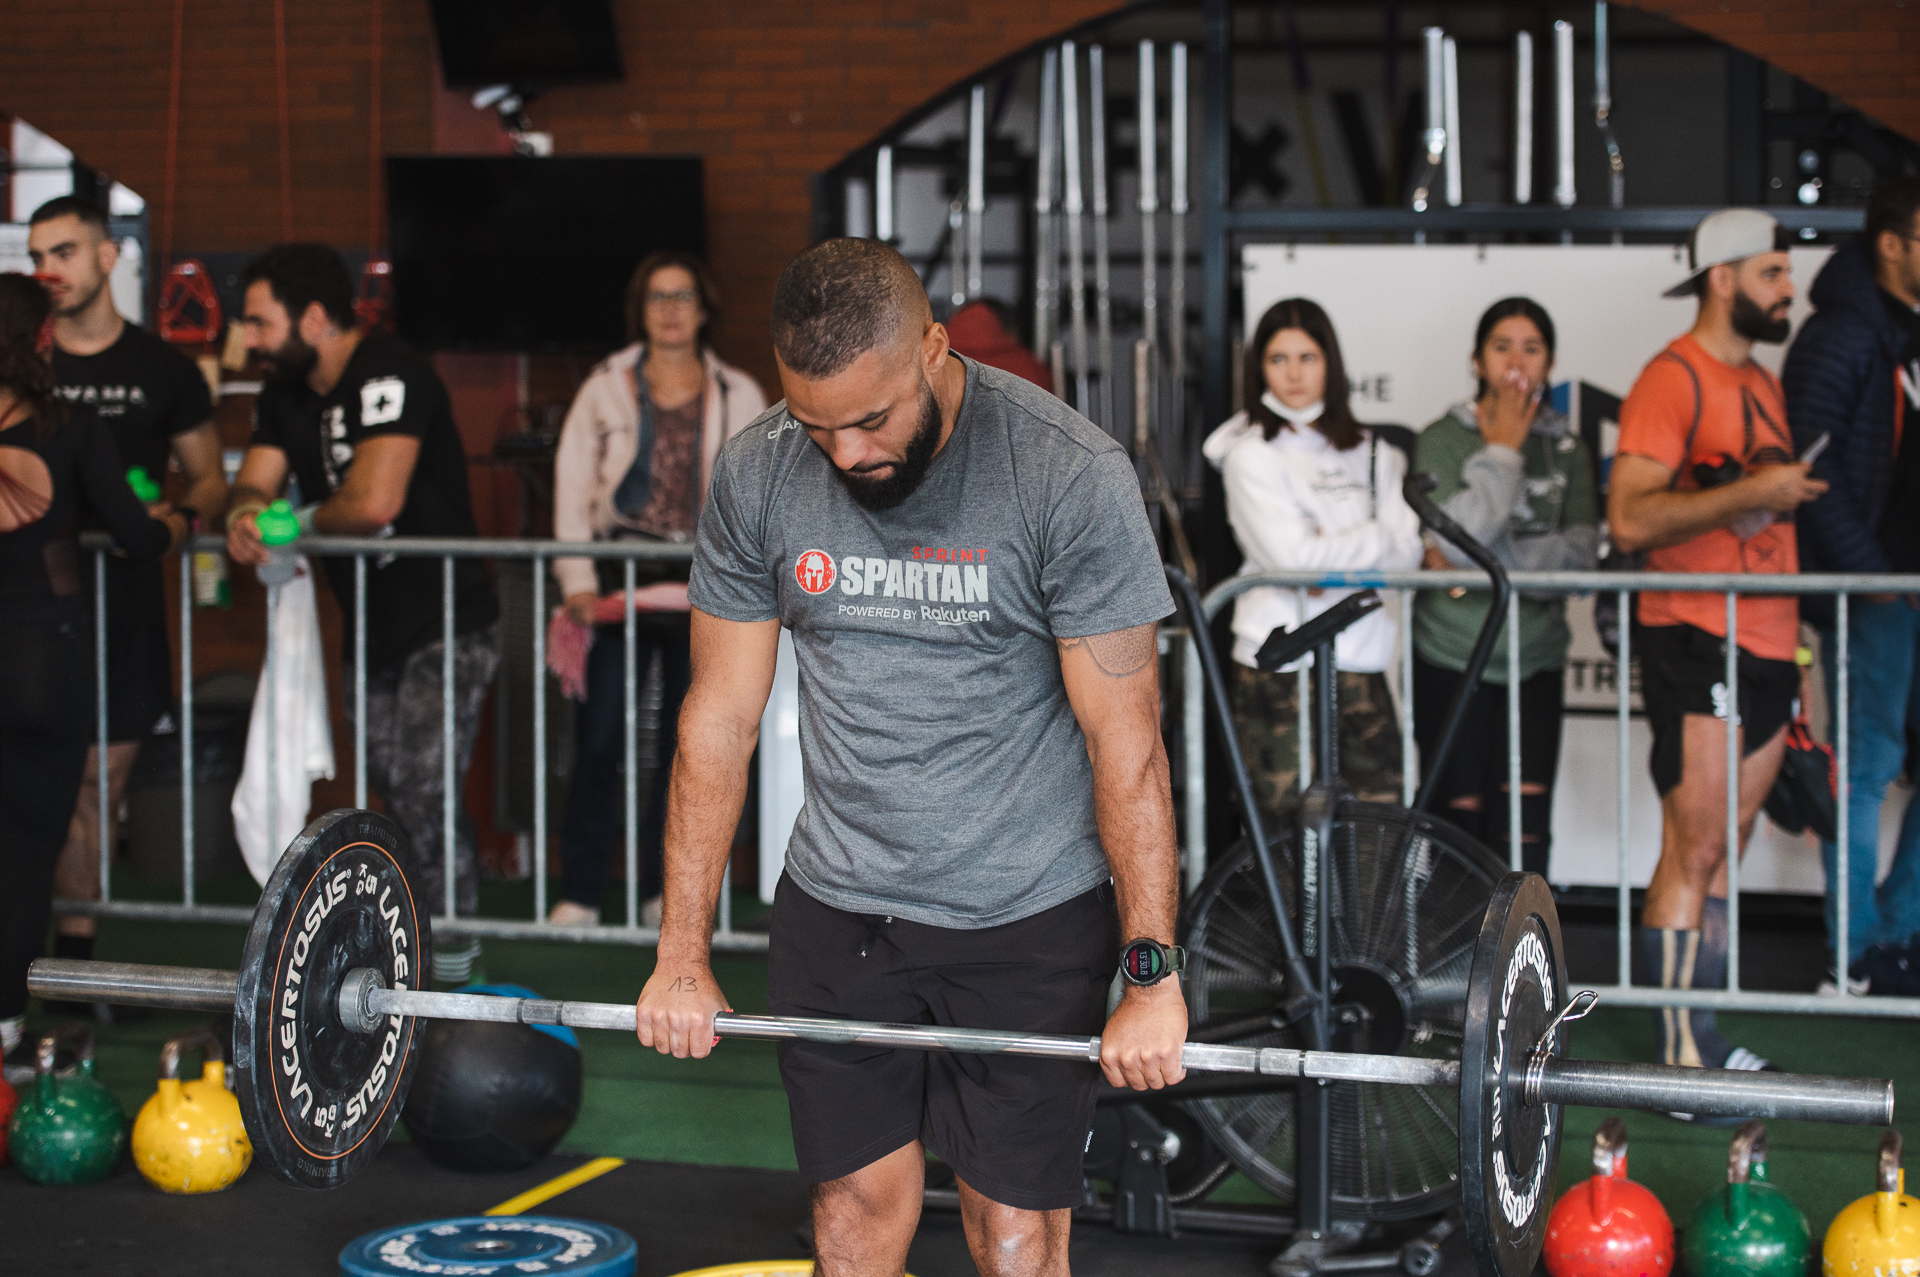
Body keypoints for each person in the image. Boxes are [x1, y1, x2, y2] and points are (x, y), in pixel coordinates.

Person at [632, 238, 1185, 1275]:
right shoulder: (759, 470)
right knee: (850, 1213)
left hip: (1026, 912)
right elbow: (718, 716)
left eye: (871, 419)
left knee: (1014, 1237)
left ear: (934, 348)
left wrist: (1150, 971)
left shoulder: (1065, 474)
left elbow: (1130, 743)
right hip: (842, 906)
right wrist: (682, 952)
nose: (845, 455)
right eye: (817, 425)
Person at [223, 243, 499, 988]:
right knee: (387, 787)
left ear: (314, 317)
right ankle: (409, 951)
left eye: (258, 320)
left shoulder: (390, 368)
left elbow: (376, 500)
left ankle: (457, 968)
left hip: (449, 619)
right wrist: (250, 516)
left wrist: (294, 519)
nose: (246, 337)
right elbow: (250, 484)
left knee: (421, 786)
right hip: (371, 624)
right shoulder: (283, 392)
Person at [1609, 208, 1828, 1086]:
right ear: (1723, 277)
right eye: (1773, 273)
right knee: (1692, 847)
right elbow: (1630, 517)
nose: (1789, 289)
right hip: (1698, 638)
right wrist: (1753, 491)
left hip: (1772, 641)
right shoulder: (1672, 378)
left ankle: (1701, 1031)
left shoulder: (1762, 383)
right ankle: (1677, 1056)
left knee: (1723, 846)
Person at [26, 196, 228, 981]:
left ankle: (72, 967)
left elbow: (210, 479)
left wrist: (169, 517)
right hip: (34, 605)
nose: (49, 271)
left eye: (66, 252)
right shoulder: (24, 366)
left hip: (126, 605)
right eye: (39, 255)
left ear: (109, 257)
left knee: (94, 785)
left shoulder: (162, 370)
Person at [548, 252, 766, 927]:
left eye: (683, 296)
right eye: (657, 297)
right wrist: (577, 579)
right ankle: (580, 891)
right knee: (601, 741)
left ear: (704, 309)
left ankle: (661, 892)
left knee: (690, 746)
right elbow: (570, 486)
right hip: (620, 584)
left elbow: (761, 493)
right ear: (640, 310)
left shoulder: (741, 392)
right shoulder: (604, 386)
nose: (671, 309)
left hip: (711, 588)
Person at [0, 273, 182, 1077]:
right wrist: (182, 519)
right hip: (44, 656)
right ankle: (6, 1024)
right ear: (43, 338)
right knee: (28, 850)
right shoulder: (66, 425)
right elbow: (138, 536)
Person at [1201, 297, 1423, 824]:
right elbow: (1294, 559)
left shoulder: (1377, 454)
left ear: (1332, 364)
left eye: (1308, 357)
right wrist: (1372, 540)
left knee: (1376, 826)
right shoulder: (1250, 454)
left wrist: (1331, 554)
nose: (1294, 374)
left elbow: (1409, 553)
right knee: (1287, 831)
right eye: (1278, 359)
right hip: (1279, 661)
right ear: (1259, 369)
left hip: (1363, 660)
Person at [1784, 176, 1920, 995]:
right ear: (1893, 243)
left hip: (1906, 587)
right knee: (1867, 764)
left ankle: (1900, 936)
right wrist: (1869, 580)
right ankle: (1855, 955)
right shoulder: (1838, 336)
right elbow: (1811, 469)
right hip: (1876, 592)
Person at [1412, 298, 1598, 876]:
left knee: (1524, 824)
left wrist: (1485, 562)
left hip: (1534, 658)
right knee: (1457, 821)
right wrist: (1503, 452)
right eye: (1501, 346)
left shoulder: (1569, 448)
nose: (1516, 361)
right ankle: (1453, 962)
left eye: (1532, 347)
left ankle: (1522, 959)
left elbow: (1582, 555)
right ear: (1476, 359)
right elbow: (1443, 544)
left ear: (1551, 361)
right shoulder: (1441, 437)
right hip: (1450, 654)